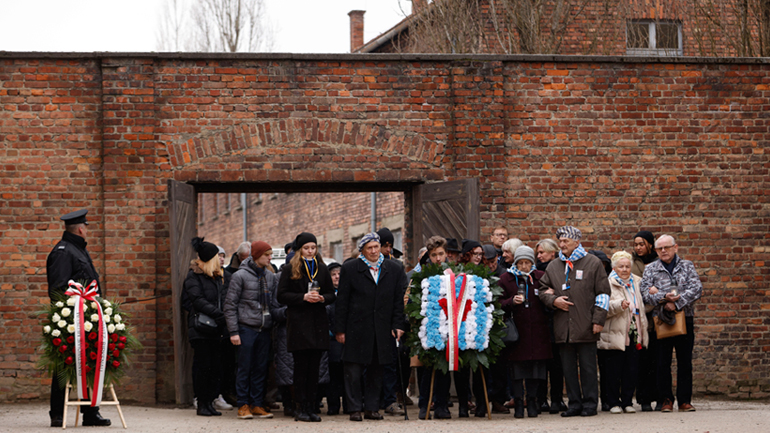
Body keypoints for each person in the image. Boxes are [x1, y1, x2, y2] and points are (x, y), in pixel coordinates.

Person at [46, 209, 111, 427]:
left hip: (87, 318)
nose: (87, 231)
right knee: (64, 365)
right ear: (81, 229)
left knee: (89, 362)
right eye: (87, 227)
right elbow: (59, 289)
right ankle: (57, 413)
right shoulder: (64, 252)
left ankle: (90, 412)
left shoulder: (78, 250)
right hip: (72, 320)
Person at [335, 233, 408, 422]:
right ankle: (354, 408)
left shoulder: (393, 268)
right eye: (370, 248)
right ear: (362, 250)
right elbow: (342, 300)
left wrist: (398, 324)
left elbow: (397, 301)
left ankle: (372, 407)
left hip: (381, 328)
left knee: (377, 370)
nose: (374, 251)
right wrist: (340, 329)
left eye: (376, 247)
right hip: (356, 327)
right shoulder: (351, 268)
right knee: (354, 370)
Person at [539, 226, 610, 417]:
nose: (562, 245)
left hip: (586, 325)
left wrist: (598, 320)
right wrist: (554, 301)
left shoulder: (593, 263)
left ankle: (590, 404)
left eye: (566, 241)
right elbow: (542, 289)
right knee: (568, 369)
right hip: (563, 327)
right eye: (560, 241)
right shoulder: (554, 266)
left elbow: (603, 294)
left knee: (588, 368)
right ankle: (574, 404)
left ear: (577, 242)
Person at [276, 232, 336, 422]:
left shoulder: (322, 268)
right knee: (301, 368)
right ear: (300, 250)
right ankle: (300, 407)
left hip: (318, 323)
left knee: (314, 369)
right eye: (306, 248)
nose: (310, 251)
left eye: (313, 248)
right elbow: (281, 295)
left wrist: (322, 298)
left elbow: (331, 293)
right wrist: (303, 297)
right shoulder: (290, 269)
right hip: (299, 324)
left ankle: (311, 406)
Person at [640, 235, 702, 413]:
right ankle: (665, 399)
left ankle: (684, 401)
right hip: (662, 320)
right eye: (660, 248)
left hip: (684, 318)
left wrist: (677, 302)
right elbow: (644, 293)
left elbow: (696, 288)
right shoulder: (651, 268)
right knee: (662, 362)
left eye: (667, 247)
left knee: (685, 362)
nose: (663, 251)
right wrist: (663, 298)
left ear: (676, 247)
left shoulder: (687, 266)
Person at [224, 241, 276, 419]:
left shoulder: (270, 277)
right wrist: (234, 332)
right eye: (266, 255)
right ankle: (243, 404)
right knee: (244, 368)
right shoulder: (240, 276)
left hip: (264, 329)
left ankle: (257, 404)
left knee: (261, 368)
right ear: (256, 256)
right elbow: (230, 305)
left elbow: (273, 303)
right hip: (246, 328)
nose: (270, 258)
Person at [500, 246, 552, 418]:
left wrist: (550, 295)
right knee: (517, 371)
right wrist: (511, 302)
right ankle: (518, 403)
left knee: (535, 370)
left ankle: (532, 402)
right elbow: (498, 302)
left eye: (527, 263)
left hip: (537, 331)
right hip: (517, 332)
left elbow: (548, 298)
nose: (523, 266)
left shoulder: (540, 277)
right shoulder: (506, 279)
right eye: (520, 263)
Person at [598, 251, 648, 414]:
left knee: (631, 369)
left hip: (634, 332)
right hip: (615, 332)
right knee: (613, 371)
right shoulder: (607, 283)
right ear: (614, 268)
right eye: (621, 266)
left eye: (627, 266)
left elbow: (645, 303)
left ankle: (627, 402)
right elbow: (602, 308)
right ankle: (613, 402)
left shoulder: (638, 282)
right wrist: (619, 305)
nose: (625, 269)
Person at [185, 237, 230, 417]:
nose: (220, 259)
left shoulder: (217, 277)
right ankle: (202, 403)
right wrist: (218, 314)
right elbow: (197, 300)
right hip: (201, 328)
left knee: (214, 367)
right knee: (203, 367)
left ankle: (209, 402)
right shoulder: (194, 276)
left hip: (216, 328)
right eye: (217, 256)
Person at [415, 236, 452, 420]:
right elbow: (411, 300)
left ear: (446, 254)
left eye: (441, 254)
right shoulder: (422, 274)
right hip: (428, 325)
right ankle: (424, 405)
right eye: (434, 255)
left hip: (448, 325)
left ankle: (442, 405)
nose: (438, 258)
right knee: (428, 368)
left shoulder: (452, 273)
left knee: (445, 367)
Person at [533, 237, 566, 414]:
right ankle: (542, 399)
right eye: (537, 253)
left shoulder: (560, 269)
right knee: (543, 364)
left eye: (542, 252)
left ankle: (556, 399)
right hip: (541, 322)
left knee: (556, 364)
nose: (539, 256)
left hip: (556, 320)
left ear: (552, 253)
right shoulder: (535, 272)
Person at [631, 230, 660, 412]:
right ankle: (644, 399)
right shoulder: (632, 263)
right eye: (636, 244)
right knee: (641, 361)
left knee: (658, 360)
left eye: (642, 244)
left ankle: (661, 397)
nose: (638, 248)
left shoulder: (659, 262)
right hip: (639, 318)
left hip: (658, 317)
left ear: (650, 244)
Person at [325, 262, 346, 416]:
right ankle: (333, 405)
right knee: (333, 373)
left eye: (339, 274)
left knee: (347, 373)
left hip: (347, 339)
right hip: (331, 339)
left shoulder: (347, 292)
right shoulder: (326, 294)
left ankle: (348, 404)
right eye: (333, 274)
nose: (337, 277)